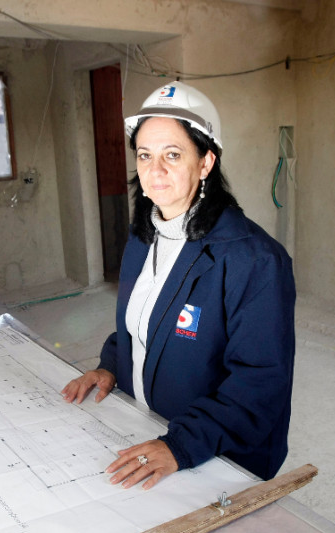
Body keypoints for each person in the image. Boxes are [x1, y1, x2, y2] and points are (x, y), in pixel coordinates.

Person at [61, 81, 295, 490]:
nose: (155, 171)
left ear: (206, 162)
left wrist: (181, 446)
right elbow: (142, 323)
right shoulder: (143, 236)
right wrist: (110, 366)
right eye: (145, 155)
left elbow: (260, 383)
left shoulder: (254, 260)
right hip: (149, 425)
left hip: (215, 454)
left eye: (173, 154)